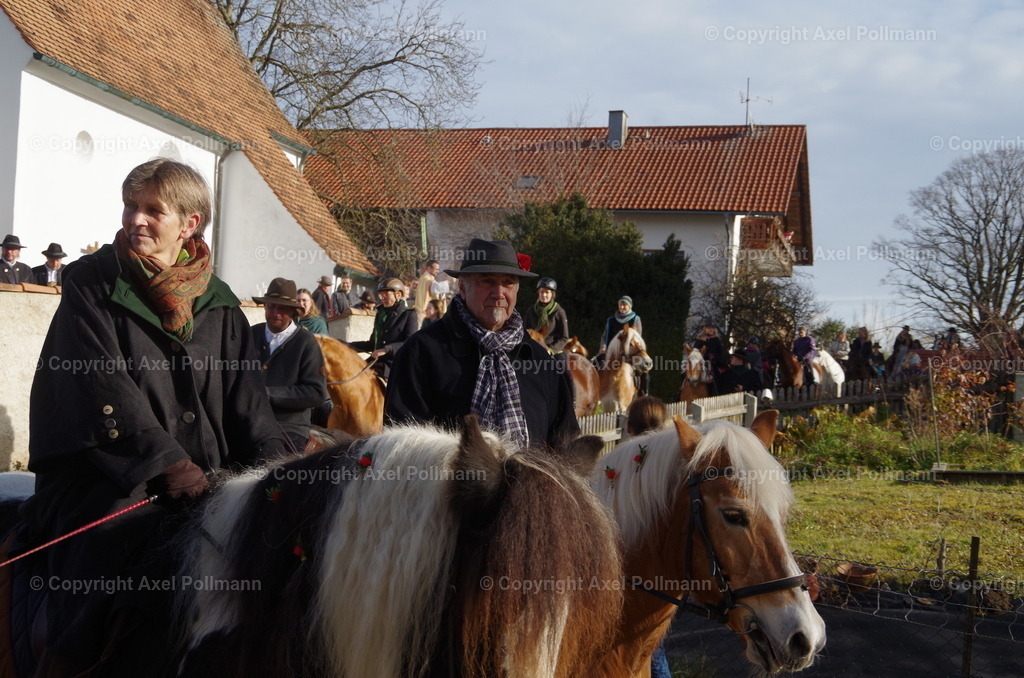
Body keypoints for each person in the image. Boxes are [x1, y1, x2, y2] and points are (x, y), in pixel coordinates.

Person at [17, 159, 289, 677]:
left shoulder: (223, 304)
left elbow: (249, 406)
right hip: (113, 478)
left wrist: (278, 478)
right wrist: (169, 466)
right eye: (130, 207)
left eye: (152, 210)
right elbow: (101, 384)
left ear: (189, 224)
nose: (135, 220)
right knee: (104, 567)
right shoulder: (91, 285)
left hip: (210, 481)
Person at [385, 238, 578, 448]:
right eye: (486, 281)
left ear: (517, 290)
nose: (498, 293)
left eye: (508, 283)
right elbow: (400, 448)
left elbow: (564, 447)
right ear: (463, 288)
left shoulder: (540, 362)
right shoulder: (420, 353)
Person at [622, 395, 672, 678]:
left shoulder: (616, 465)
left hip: (625, 570)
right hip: (661, 573)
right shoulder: (668, 462)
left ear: (628, 427)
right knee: (654, 646)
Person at [252, 278, 328, 451]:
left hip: (289, 428)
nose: (275, 313)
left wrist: (269, 394)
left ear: (293, 311)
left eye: (282, 308)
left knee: (266, 458)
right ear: (264, 307)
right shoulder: (251, 334)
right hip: (250, 420)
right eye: (271, 306)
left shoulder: (306, 342)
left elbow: (316, 393)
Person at [349, 277, 419, 379]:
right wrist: (348, 346)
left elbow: (410, 343)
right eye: (381, 294)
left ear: (398, 295)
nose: (382, 297)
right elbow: (373, 343)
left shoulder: (409, 315)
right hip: (377, 361)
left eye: (386, 294)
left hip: (396, 364)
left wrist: (387, 349)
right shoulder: (380, 314)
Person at [598, 295, 648, 394]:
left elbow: (637, 338)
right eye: (620, 304)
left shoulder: (636, 319)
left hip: (630, 352)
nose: (621, 307)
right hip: (611, 352)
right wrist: (603, 348)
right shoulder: (611, 320)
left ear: (630, 306)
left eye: (624, 305)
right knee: (596, 364)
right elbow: (605, 336)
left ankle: (643, 393)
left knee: (644, 372)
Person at [522, 276, 569, 353]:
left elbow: (564, 337)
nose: (543, 295)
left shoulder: (559, 311)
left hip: (553, 349)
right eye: (541, 292)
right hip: (533, 348)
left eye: (547, 292)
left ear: (552, 294)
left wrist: (551, 350)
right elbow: (525, 331)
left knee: (563, 363)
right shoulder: (531, 310)